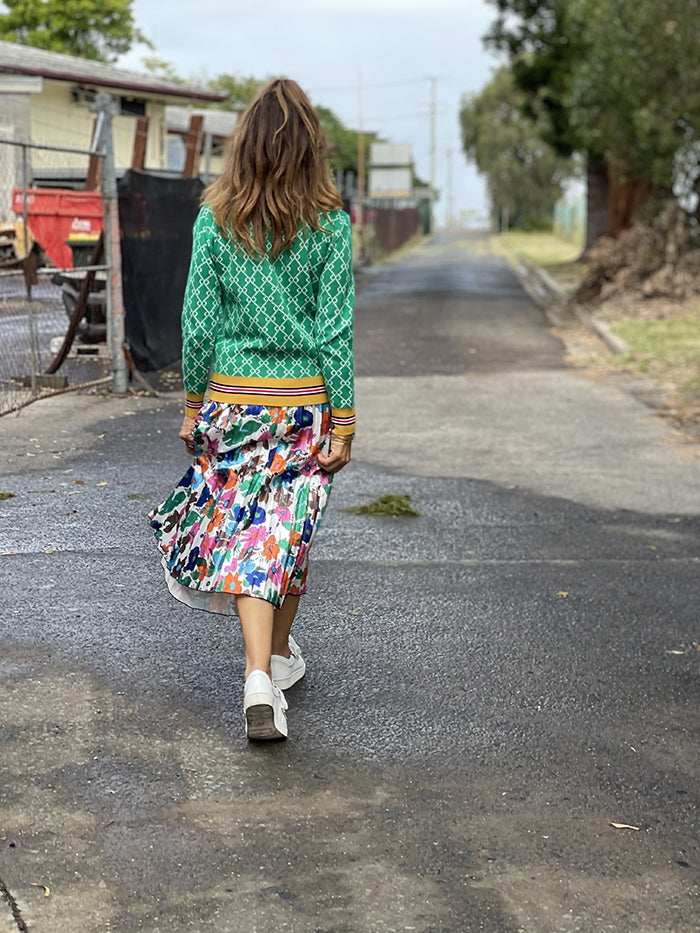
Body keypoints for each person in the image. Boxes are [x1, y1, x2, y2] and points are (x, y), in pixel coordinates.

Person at [149, 78, 355, 741]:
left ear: (244, 148)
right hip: (303, 409)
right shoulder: (331, 225)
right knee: (286, 535)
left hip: (234, 403)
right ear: (309, 149)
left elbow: (197, 322)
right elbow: (335, 333)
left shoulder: (214, 221)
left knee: (254, 539)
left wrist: (192, 405)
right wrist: (345, 419)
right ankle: (259, 673)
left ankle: (268, 670)